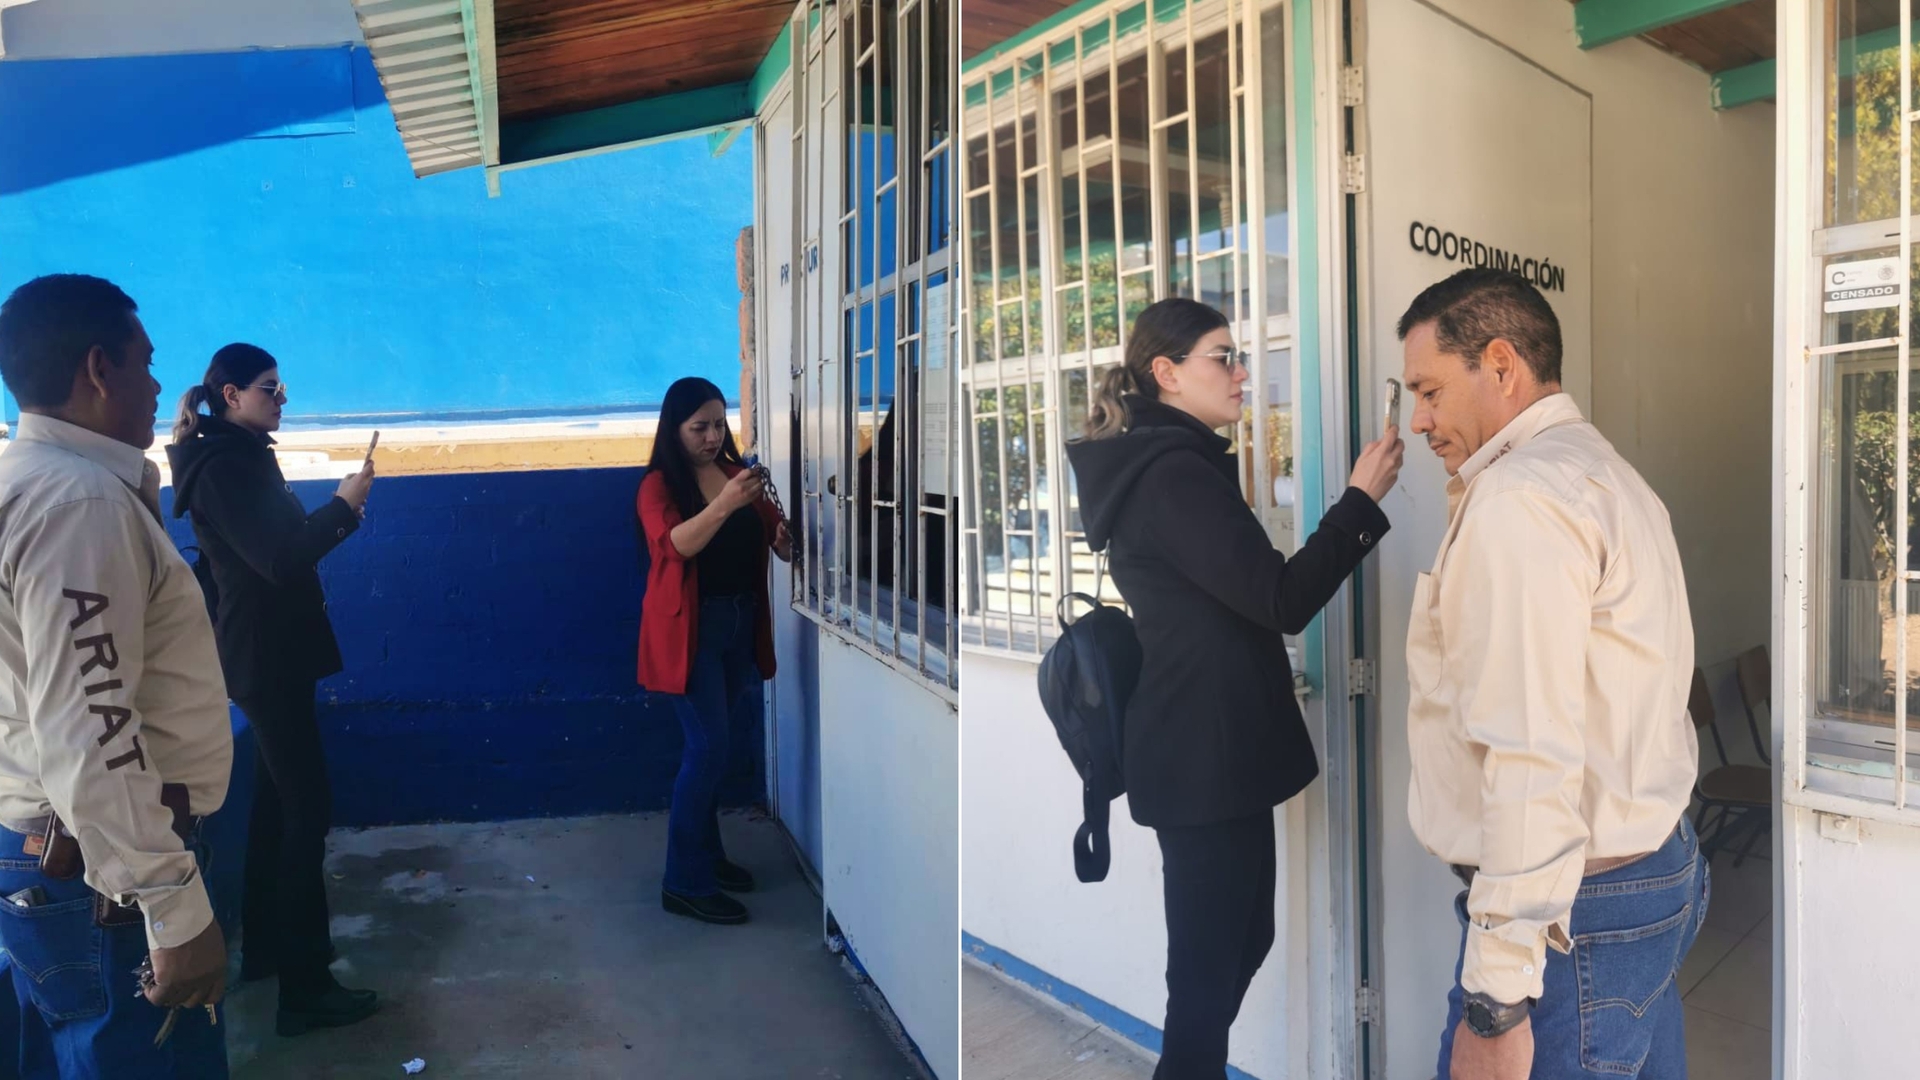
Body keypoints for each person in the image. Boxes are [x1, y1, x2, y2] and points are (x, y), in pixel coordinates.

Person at [1064, 297, 1403, 1078]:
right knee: (1205, 981)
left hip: (1213, 756)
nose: (1243, 372)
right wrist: (1359, 502)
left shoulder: (1171, 465)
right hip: (1198, 762)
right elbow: (1278, 599)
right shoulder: (1171, 476)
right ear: (1167, 373)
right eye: (1224, 357)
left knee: (1241, 947)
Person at [1395, 269, 1706, 1080]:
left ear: (1501, 365)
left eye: (1428, 391)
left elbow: (1529, 751)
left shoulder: (1520, 498)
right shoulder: (1606, 474)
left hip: (1574, 918)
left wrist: (1496, 1001)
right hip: (1653, 868)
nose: (1418, 420)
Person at [0, 274, 232, 1076]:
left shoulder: (29, 478)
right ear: (100, 369)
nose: (160, 385)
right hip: (99, 870)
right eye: (147, 363)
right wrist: (170, 902)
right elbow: (93, 727)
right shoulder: (78, 504)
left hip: (60, 846)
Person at [167, 343, 379, 1036]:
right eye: (269, 387)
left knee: (275, 809)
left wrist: (337, 510)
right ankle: (305, 988)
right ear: (230, 395)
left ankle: (266, 949)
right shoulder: (226, 466)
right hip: (267, 661)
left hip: (272, 655)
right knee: (305, 814)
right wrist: (344, 507)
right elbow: (282, 558)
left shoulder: (240, 456)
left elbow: (273, 546)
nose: (282, 397)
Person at [637, 377, 792, 926]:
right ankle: (683, 883)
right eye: (698, 427)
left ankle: (707, 856)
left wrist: (781, 540)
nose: (711, 436)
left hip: (738, 623)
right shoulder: (658, 486)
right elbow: (674, 545)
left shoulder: (734, 473)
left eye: (718, 424)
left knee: (712, 751)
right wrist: (725, 504)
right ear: (674, 429)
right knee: (707, 749)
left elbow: (772, 532)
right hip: (691, 632)